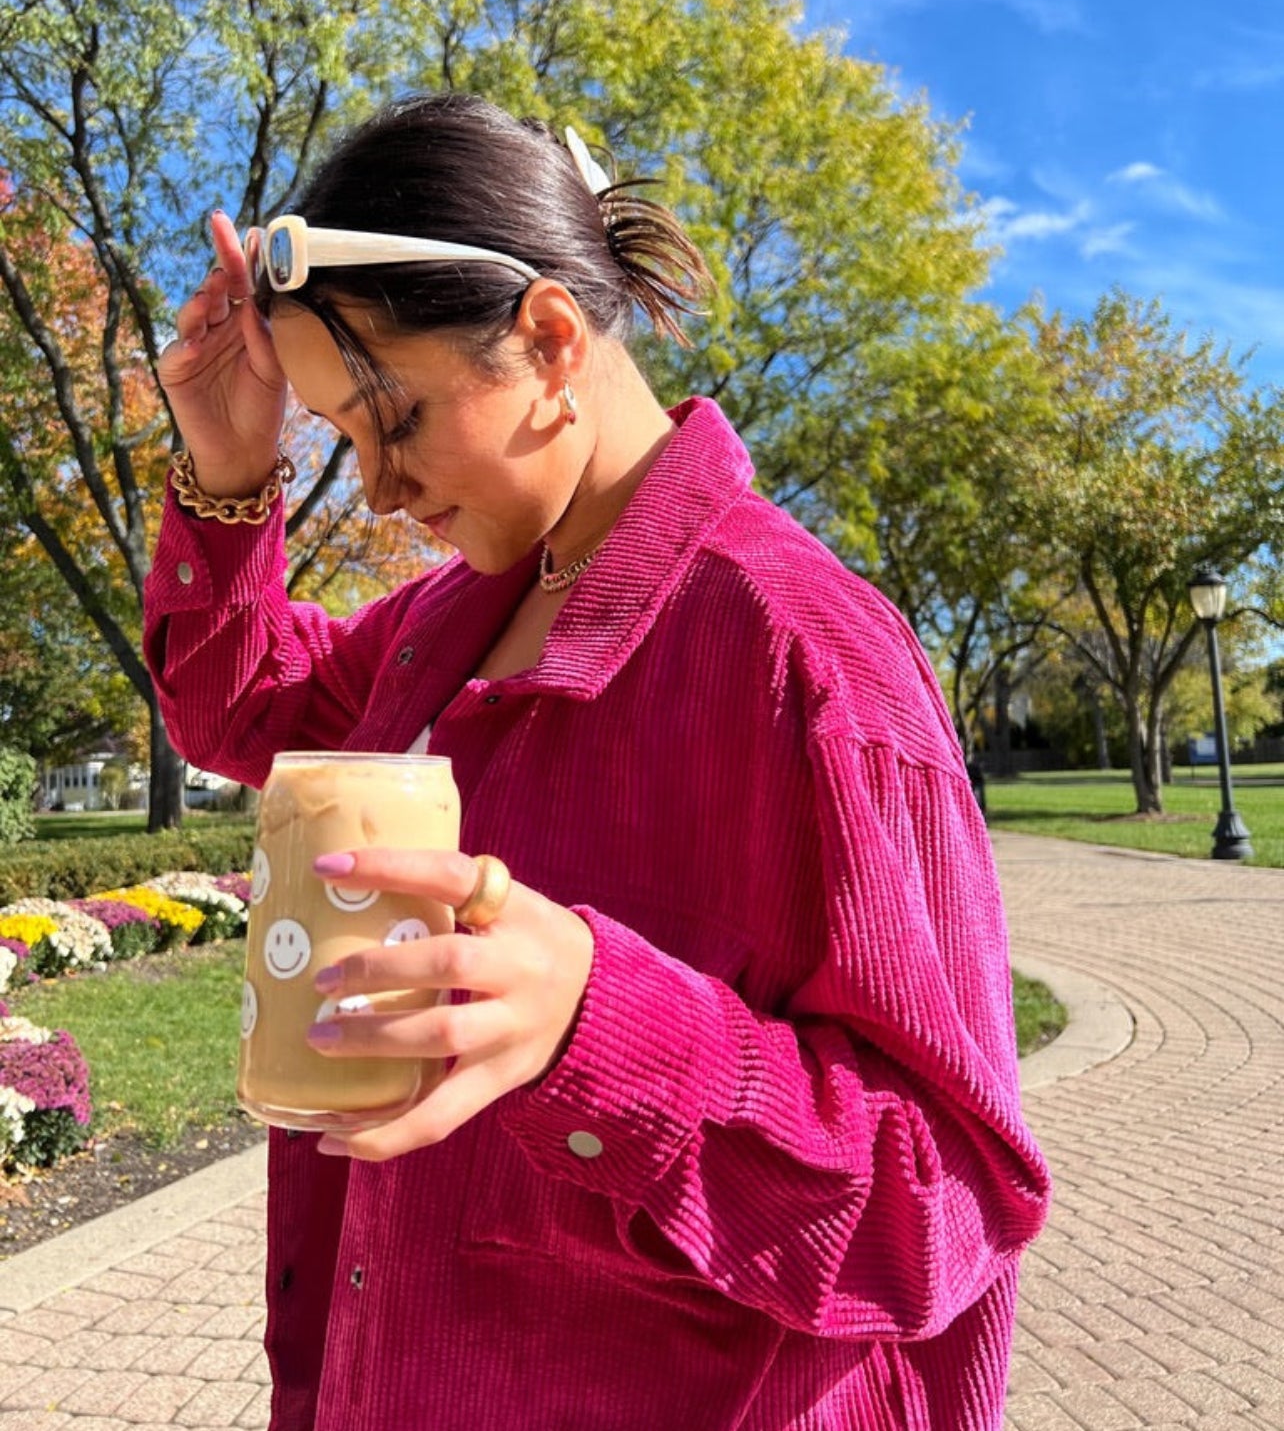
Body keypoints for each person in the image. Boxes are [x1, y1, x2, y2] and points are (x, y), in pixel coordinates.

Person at [144, 93, 1050, 1431]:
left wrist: (599, 1023)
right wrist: (227, 473)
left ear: (552, 340)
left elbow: (947, 1198)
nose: (377, 489)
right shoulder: (445, 621)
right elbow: (243, 711)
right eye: (341, 438)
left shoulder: (807, 657)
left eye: (392, 419)